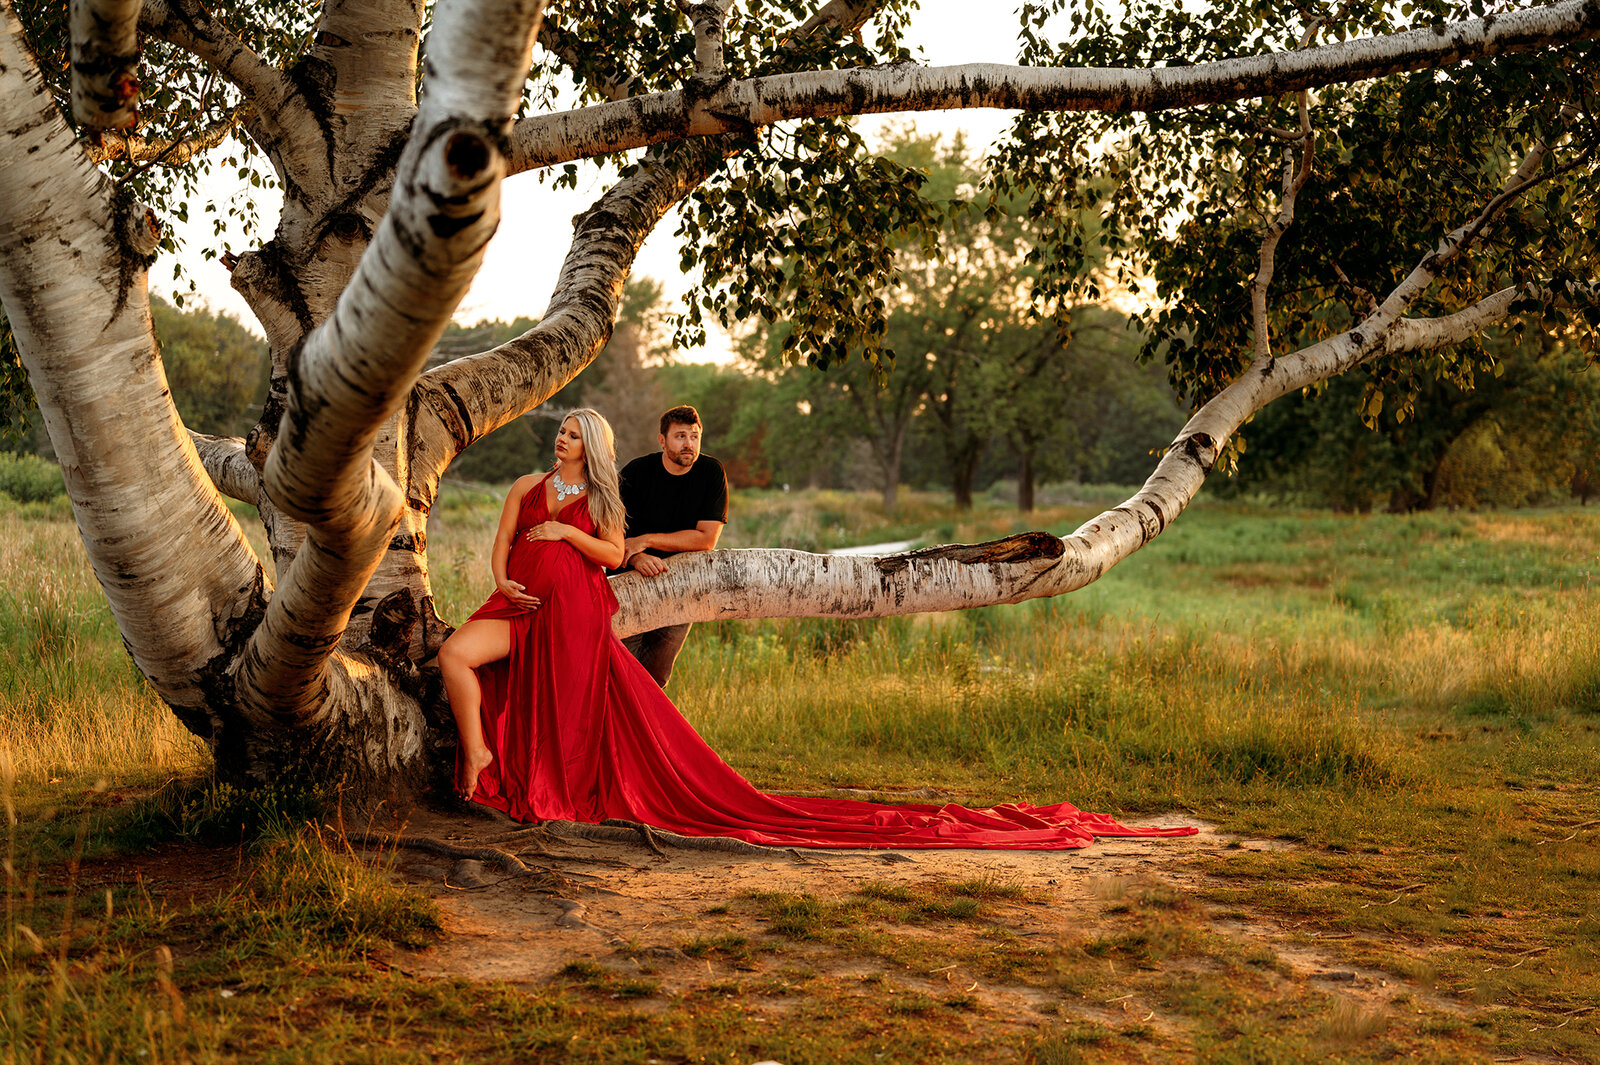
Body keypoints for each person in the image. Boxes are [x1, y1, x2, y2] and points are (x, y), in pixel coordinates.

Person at [439, 408, 1196, 849]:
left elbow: (626, 544)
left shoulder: (616, 491)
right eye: (562, 430)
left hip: (579, 600)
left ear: (593, 443)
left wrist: (578, 543)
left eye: (573, 430)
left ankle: (511, 763)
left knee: (621, 688)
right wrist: (504, 576)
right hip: (524, 600)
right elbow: (504, 538)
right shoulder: (532, 484)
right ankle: (479, 749)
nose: (562, 437)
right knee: (458, 656)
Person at [616, 405, 727, 688]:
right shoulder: (637, 473)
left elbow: (706, 539)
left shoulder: (711, 473)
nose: (689, 444)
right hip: (632, 583)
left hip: (682, 588)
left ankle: (648, 733)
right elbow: (607, 529)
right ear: (662, 440)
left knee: (656, 678)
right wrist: (636, 557)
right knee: (619, 669)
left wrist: (647, 540)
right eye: (680, 436)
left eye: (694, 436)